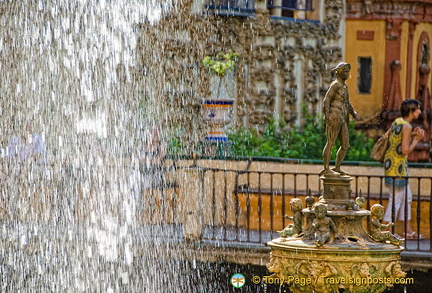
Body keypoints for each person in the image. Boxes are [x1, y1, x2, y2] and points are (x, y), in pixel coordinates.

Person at [383, 98, 425, 239]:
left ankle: (407, 230)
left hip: (392, 166)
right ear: (411, 111)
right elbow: (405, 150)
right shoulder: (406, 126)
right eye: (417, 109)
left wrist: (413, 134)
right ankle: (387, 231)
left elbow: (396, 140)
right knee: (395, 199)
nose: (420, 111)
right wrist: (416, 139)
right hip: (398, 169)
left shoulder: (397, 122)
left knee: (407, 198)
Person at [322, 62, 360, 176]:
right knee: (331, 142)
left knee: (345, 145)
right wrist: (327, 115)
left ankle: (337, 168)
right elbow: (327, 100)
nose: (347, 74)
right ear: (338, 72)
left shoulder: (344, 86)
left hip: (343, 117)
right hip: (334, 116)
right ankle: (326, 168)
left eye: (348, 71)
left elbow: (347, 102)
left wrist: (353, 113)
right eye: (345, 71)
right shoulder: (335, 85)